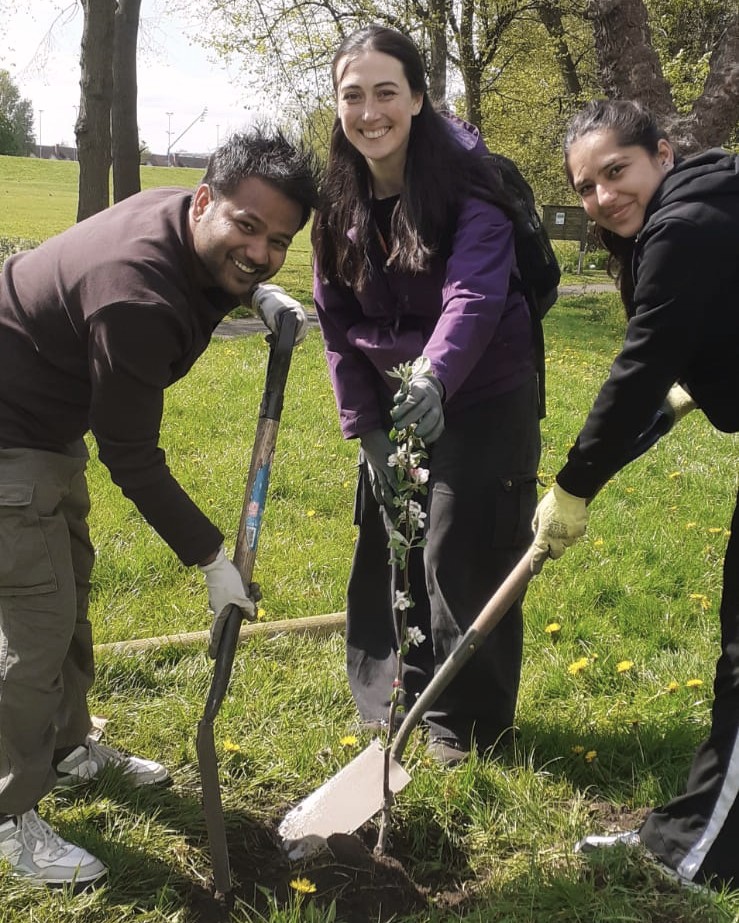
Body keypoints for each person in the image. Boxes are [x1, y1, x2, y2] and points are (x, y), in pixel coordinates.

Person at [0, 129, 320, 888]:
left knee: (68, 588)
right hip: (8, 431)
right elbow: (132, 455)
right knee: (33, 628)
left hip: (41, 417)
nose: (261, 250)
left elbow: (211, 268)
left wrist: (256, 289)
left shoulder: (184, 218)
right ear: (206, 200)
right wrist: (212, 558)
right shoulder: (133, 294)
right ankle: (7, 814)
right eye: (248, 228)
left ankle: (71, 744)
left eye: (279, 242)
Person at [312, 25, 541, 766]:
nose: (369, 111)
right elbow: (336, 320)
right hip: (393, 392)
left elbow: (474, 291)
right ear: (337, 104)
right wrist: (366, 430)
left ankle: (463, 728)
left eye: (386, 92)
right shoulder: (337, 194)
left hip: (481, 388)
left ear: (416, 96)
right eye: (353, 95)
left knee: (459, 547)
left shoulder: (468, 177)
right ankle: (391, 703)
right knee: (390, 540)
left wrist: (437, 375)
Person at [531, 98, 739, 890]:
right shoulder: (712, 199)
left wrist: (572, 486)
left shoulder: (683, 229)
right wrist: (702, 388)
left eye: (614, 171)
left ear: (661, 152)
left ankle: (692, 851)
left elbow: (639, 366)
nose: (601, 197)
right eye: (584, 187)